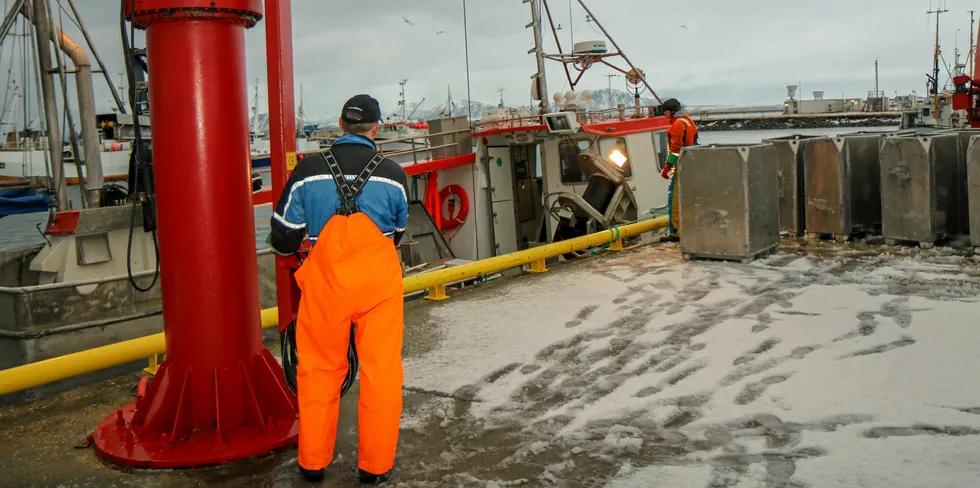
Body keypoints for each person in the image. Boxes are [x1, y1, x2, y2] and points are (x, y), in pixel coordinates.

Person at [268, 94, 409, 485]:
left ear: (340, 124)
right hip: (378, 290)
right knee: (381, 375)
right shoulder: (394, 175)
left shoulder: (308, 171)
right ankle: (375, 468)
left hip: (326, 289)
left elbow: (282, 238)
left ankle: (313, 465)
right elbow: (397, 235)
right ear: (376, 128)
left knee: (317, 373)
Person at [659, 98, 698, 242]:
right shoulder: (687, 120)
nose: (665, 115)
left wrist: (667, 167)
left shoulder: (678, 124)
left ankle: (676, 232)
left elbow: (675, 149)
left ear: (671, 111)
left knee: (675, 199)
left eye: (666, 112)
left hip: (682, 164)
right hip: (690, 162)